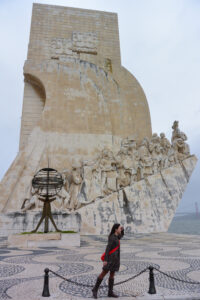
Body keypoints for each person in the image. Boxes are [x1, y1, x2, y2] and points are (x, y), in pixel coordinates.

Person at [92, 223, 124, 298]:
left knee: (112, 275)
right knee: (103, 273)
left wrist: (123, 229)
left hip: (116, 259)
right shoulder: (112, 237)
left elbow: (121, 235)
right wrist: (105, 260)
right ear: (116, 229)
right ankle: (95, 289)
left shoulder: (117, 236)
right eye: (119, 228)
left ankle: (110, 292)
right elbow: (108, 248)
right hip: (110, 259)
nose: (120, 229)